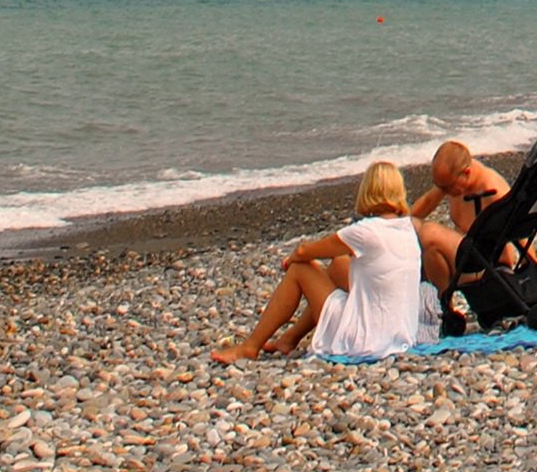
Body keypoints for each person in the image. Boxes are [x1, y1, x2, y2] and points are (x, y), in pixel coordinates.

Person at [210, 162, 435, 360]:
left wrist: (293, 259)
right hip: (401, 332)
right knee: (338, 266)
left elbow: (306, 251)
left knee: (300, 270)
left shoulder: (364, 232)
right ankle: (289, 338)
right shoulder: (407, 227)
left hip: (366, 339)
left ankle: (250, 346)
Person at [407, 139, 504, 286]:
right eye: (440, 187)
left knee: (429, 234)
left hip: (485, 267)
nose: (444, 192)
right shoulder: (456, 182)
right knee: (411, 226)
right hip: (466, 256)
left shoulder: (491, 190)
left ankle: (441, 302)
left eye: (446, 188)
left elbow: (518, 235)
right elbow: (424, 205)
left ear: (467, 173)